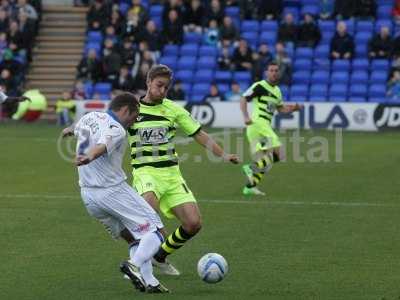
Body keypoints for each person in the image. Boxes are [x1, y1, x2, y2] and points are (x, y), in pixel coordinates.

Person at [128, 64, 239, 274]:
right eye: (159, 85)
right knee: (148, 213)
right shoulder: (133, 109)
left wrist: (223, 154)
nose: (162, 91)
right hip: (145, 171)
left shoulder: (173, 109)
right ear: (148, 82)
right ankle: (136, 264)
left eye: (166, 88)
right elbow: (110, 125)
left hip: (171, 174)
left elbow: (198, 133)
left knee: (193, 224)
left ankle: (160, 257)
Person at [61, 93, 169, 293]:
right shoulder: (117, 128)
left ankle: (150, 281)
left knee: (133, 237)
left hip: (89, 196)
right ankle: (133, 265)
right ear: (125, 110)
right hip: (112, 191)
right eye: (135, 115)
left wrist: (68, 130)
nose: (135, 120)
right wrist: (89, 156)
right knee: (156, 232)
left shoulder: (90, 116)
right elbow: (103, 145)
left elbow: (77, 128)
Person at [239, 61, 302, 196]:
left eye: (276, 71)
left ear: (278, 73)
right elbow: (243, 98)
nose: (273, 73)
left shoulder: (278, 91)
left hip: (264, 125)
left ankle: (250, 187)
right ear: (267, 72)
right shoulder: (260, 86)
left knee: (266, 161)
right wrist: (245, 116)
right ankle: (250, 168)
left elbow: (281, 109)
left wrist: (294, 109)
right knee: (281, 153)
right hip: (258, 123)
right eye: (271, 70)